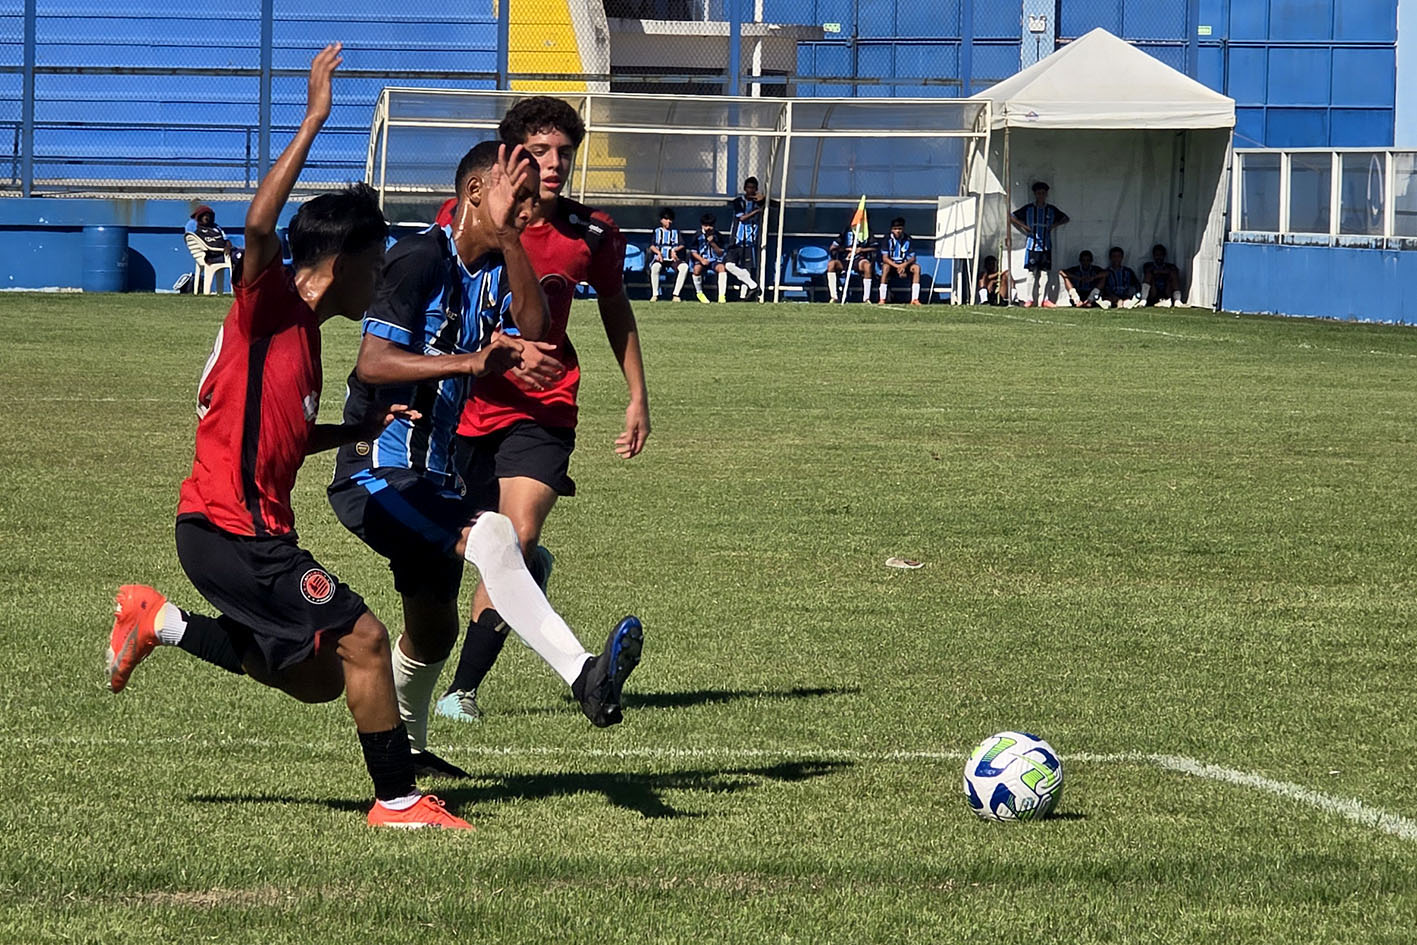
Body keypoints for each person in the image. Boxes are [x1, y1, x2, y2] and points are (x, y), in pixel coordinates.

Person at [104, 44, 472, 830]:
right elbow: (260, 223)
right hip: (237, 531)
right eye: (373, 263)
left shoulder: (302, 335)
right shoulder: (268, 301)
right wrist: (313, 118)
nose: (379, 280)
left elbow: (280, 434)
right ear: (338, 262)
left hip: (225, 533)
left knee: (316, 678)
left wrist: (358, 426)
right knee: (365, 638)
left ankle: (157, 622)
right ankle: (397, 801)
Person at [327, 139, 644, 753]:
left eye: (532, 201)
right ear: (476, 191)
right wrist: (473, 359)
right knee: (498, 535)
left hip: (433, 477)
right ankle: (584, 673)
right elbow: (372, 362)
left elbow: (533, 324)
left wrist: (509, 242)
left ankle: (409, 756)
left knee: (433, 630)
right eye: (517, 197)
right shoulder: (418, 258)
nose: (529, 210)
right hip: (377, 470)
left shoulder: (495, 265)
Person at [439, 95, 652, 724]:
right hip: (466, 405)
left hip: (544, 407)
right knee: (467, 553)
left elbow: (616, 308)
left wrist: (637, 394)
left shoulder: (592, 233)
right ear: (510, 155)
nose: (554, 163)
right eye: (540, 151)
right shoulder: (465, 216)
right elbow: (441, 313)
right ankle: (524, 573)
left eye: (565, 152)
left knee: (517, 533)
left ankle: (462, 691)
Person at [1010, 181, 1069, 307]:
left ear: (1046, 194)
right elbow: (1012, 217)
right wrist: (1024, 226)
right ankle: (1029, 299)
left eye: (1043, 193)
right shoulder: (1029, 208)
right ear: (1035, 194)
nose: (1041, 195)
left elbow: (1065, 218)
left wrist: (1053, 225)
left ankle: (1045, 299)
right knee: (1031, 273)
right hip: (1032, 245)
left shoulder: (1051, 210)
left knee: (1045, 273)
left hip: (1046, 246)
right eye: (1038, 193)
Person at [723, 176, 762, 300]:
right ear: (745, 188)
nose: (750, 190)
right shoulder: (738, 201)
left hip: (750, 241)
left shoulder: (759, 202)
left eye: (753, 188)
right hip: (736, 239)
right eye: (748, 187)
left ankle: (743, 296)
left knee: (748, 267)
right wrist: (756, 212)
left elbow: (777, 205)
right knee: (729, 265)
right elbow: (742, 218)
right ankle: (753, 285)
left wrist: (764, 198)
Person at [826, 215, 875, 303]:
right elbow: (833, 247)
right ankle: (834, 297)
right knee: (831, 264)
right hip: (844, 260)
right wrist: (846, 249)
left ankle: (866, 298)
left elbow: (875, 247)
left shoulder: (867, 232)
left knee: (867, 266)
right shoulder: (846, 231)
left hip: (859, 260)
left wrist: (861, 250)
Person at [188, 204, 244, 279]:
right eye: (204, 215)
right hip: (212, 257)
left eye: (209, 215)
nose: (207, 217)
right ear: (200, 217)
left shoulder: (216, 228)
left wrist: (228, 245)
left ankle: (240, 280)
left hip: (226, 253)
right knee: (239, 256)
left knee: (244, 254)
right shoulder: (197, 230)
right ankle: (237, 281)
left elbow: (226, 239)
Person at [877, 217, 922, 306]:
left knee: (916, 268)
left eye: (900, 229)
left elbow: (913, 257)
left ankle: (915, 299)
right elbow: (885, 258)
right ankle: (882, 298)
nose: (897, 231)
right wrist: (897, 266)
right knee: (885, 268)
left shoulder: (908, 239)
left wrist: (904, 265)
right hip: (892, 265)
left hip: (904, 264)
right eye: (895, 229)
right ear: (891, 229)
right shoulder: (887, 239)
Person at [649, 207, 689, 301]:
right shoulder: (657, 231)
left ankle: (676, 294)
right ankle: (655, 294)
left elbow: (682, 244)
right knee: (655, 267)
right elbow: (652, 245)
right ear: (661, 220)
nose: (669, 221)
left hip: (673, 259)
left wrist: (674, 250)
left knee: (684, 267)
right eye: (666, 219)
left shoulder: (676, 232)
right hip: (661, 258)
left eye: (670, 219)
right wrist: (658, 252)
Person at [690, 213, 729, 303]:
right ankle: (699, 293)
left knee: (722, 268)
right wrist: (701, 260)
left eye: (710, 226)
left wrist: (712, 243)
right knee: (696, 269)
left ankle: (722, 296)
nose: (708, 228)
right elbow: (693, 251)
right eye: (705, 225)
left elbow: (720, 252)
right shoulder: (697, 235)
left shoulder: (718, 235)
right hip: (702, 259)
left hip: (714, 260)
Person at [1142, 243, 1183, 307]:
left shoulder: (1170, 266)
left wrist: (1158, 272)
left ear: (1164, 255)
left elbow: (1174, 271)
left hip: (1166, 290)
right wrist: (1163, 272)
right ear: (1153, 255)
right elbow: (1148, 272)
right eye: (1157, 255)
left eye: (1161, 255)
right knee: (1149, 275)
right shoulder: (1148, 265)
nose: (1159, 257)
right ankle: (1143, 300)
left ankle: (1177, 300)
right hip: (1154, 291)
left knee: (1173, 275)